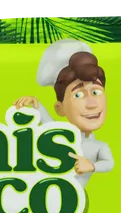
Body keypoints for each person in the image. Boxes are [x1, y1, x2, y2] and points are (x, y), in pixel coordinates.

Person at [13, 39, 114, 188]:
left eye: (96, 92)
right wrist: (35, 103)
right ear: (59, 108)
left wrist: (92, 166)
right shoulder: (61, 135)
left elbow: (109, 163)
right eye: (78, 95)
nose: (92, 104)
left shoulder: (100, 146)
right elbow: (47, 121)